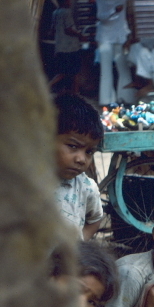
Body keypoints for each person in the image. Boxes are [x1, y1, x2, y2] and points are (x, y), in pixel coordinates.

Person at [53, 94, 103, 242]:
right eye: (73, 146)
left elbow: (95, 218)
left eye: (89, 152)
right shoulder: (24, 183)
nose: (81, 159)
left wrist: (79, 243)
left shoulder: (86, 188)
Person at [49, 0, 83, 95]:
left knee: (62, 73)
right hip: (70, 49)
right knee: (75, 73)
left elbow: (52, 30)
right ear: (66, 0)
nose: (70, 2)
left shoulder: (55, 13)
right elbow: (68, 30)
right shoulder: (67, 12)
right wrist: (80, 35)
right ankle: (76, 95)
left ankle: (47, 86)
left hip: (60, 48)